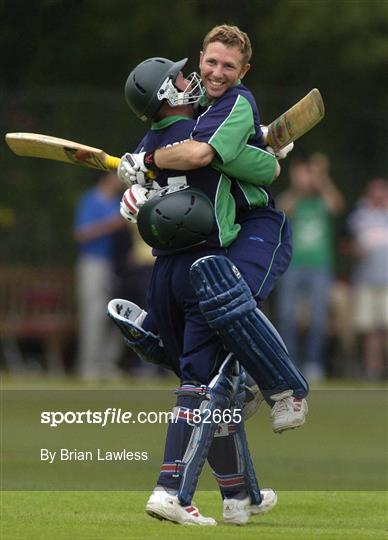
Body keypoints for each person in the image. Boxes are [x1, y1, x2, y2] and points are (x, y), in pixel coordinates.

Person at [118, 25, 309, 427]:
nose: (216, 73)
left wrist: (151, 163)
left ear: (244, 70)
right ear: (200, 57)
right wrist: (139, 194)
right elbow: (185, 165)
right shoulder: (194, 104)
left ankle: (287, 391)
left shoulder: (236, 101)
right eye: (210, 62)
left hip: (258, 222)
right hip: (226, 230)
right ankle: (242, 479)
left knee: (233, 300)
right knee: (215, 311)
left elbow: (223, 159)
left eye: (228, 66)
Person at [276, 155, 345, 380]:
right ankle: (289, 363)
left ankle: (314, 363)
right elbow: (282, 211)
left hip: (319, 268)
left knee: (318, 318)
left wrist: (321, 177)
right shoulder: (291, 199)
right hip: (292, 266)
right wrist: (296, 187)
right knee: (286, 315)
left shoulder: (321, 201)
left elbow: (337, 205)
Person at [73, 171, 125, 381]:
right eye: (116, 176)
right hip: (93, 263)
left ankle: (107, 364)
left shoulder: (118, 202)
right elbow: (81, 233)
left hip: (116, 266)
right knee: (93, 316)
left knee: (115, 316)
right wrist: (110, 225)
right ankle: (88, 367)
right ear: (106, 178)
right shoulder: (91, 199)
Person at [346, 177, 388, 380]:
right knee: (370, 331)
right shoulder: (359, 217)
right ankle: (373, 372)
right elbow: (348, 244)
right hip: (366, 281)